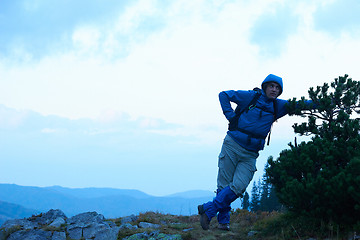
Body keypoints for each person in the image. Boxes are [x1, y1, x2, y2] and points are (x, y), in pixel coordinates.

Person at [198, 74, 301, 231]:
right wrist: (231, 116)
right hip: (232, 145)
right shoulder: (250, 97)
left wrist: (324, 103)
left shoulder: (278, 106)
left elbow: (301, 104)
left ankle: (208, 209)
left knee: (238, 186)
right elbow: (224, 95)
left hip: (251, 154)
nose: (274, 90)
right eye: (271, 86)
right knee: (224, 185)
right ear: (264, 86)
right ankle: (223, 223)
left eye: (277, 88)